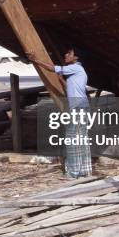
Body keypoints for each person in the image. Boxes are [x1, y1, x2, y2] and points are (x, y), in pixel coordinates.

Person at [27, 47, 93, 178]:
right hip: (82, 107)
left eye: (69, 53)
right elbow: (70, 88)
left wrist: (36, 60)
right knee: (81, 140)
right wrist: (61, 79)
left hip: (78, 109)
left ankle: (73, 173)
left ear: (76, 57)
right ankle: (85, 171)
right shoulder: (77, 72)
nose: (66, 54)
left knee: (73, 140)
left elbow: (53, 68)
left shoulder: (76, 67)